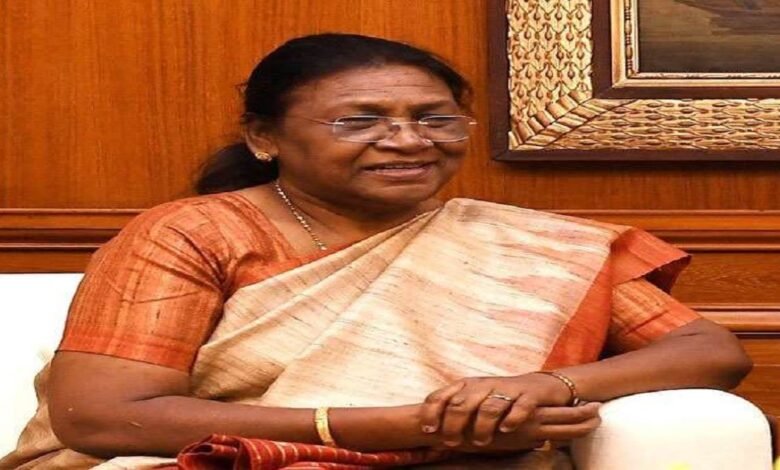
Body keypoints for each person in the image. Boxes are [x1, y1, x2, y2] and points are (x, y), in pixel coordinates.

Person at [1, 33, 752, 469]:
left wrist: (546, 385)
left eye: (435, 119)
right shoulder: (193, 234)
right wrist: (397, 427)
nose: (408, 140)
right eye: (360, 121)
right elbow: (102, 417)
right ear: (263, 137)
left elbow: (708, 350)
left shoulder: (526, 244)